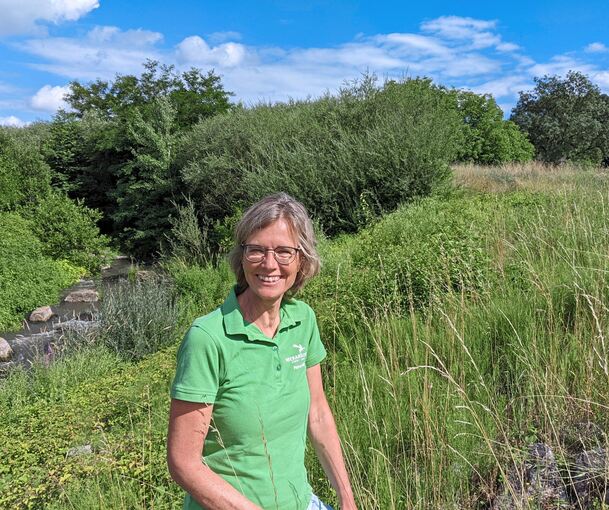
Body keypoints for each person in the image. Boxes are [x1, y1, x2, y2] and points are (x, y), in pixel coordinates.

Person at [167, 193, 357, 510]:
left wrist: (346, 498)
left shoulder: (303, 320)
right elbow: (183, 462)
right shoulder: (208, 339)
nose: (269, 264)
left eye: (284, 252)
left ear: (303, 261)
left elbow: (319, 413)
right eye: (256, 250)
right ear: (242, 257)